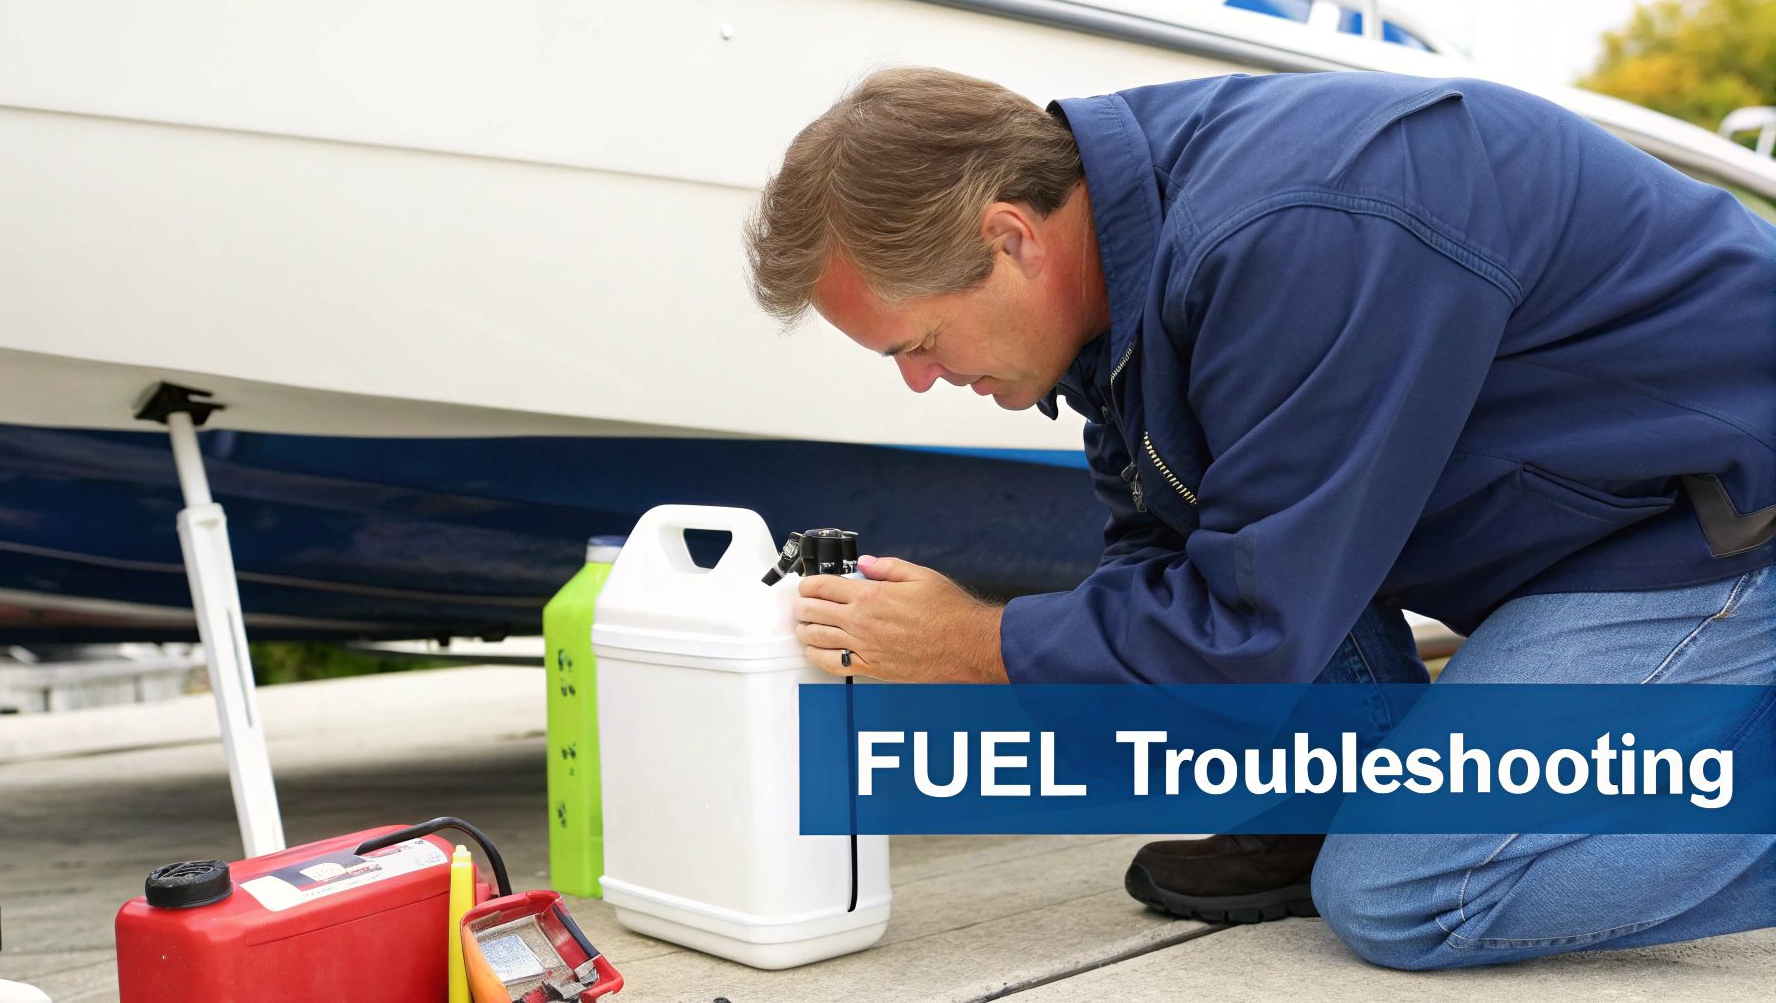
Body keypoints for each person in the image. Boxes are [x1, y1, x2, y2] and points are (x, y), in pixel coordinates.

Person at [742, 67, 1775, 969]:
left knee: (1407, 890)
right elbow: (1174, 555)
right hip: (1593, 525)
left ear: (1008, 238)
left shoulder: (1297, 240)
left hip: (1713, 520)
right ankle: (1332, 794)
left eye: (914, 343)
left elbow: (1245, 633)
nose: (920, 383)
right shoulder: (1124, 270)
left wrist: (978, 643)